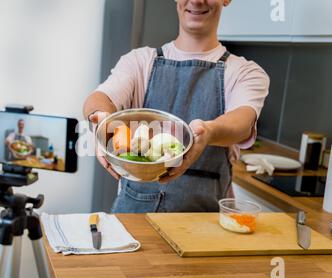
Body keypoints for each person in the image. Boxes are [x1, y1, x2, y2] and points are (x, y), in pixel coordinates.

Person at [83, 0, 270, 213]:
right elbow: (98, 98)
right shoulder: (140, 61)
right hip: (132, 220)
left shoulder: (246, 72)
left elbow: (242, 122)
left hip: (200, 226)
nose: (197, 1)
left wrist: (208, 132)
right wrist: (101, 120)